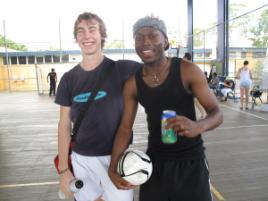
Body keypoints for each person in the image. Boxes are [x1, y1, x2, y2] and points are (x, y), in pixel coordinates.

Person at [108, 16, 223, 201]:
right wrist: (113, 167)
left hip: (191, 163)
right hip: (154, 163)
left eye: (153, 35)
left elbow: (216, 113)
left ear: (166, 42)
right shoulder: (132, 84)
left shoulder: (187, 71)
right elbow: (124, 128)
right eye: (139, 37)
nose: (146, 41)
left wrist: (197, 126)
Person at [55, 12, 141, 201]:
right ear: (76, 38)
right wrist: (63, 170)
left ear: (102, 35)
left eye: (92, 29)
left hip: (117, 159)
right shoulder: (69, 80)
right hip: (82, 161)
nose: (87, 36)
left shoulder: (124, 70)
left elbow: (158, 69)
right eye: (81, 31)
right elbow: (63, 125)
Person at [183, 52, 207, 119]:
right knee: (193, 101)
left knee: (195, 100)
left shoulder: (190, 65)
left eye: (184, 57)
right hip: (191, 86)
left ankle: (204, 113)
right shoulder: (188, 65)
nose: (183, 59)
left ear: (186, 58)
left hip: (193, 86)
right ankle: (203, 113)